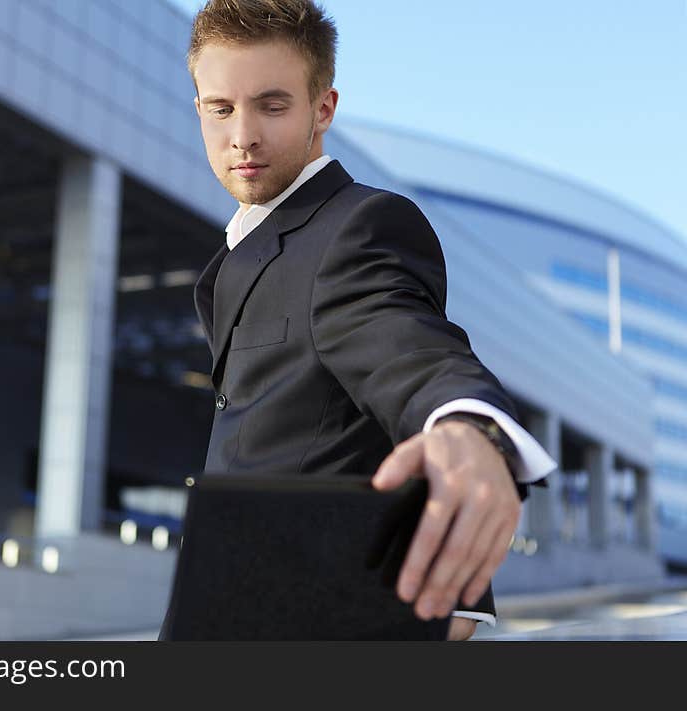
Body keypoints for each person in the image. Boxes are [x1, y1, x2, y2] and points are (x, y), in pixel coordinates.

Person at [161, 0, 556, 641]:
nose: (243, 135)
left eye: (273, 104)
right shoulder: (237, 256)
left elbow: (402, 343)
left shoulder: (356, 228)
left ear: (324, 108)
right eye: (221, 108)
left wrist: (467, 424)